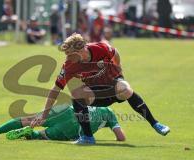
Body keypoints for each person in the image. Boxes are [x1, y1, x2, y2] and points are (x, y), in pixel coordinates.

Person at [30, 33, 170, 144]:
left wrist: (118, 71)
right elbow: (56, 89)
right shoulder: (69, 65)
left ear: (81, 50)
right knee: (77, 95)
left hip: (112, 86)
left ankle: (155, 124)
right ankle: (87, 137)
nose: (68, 58)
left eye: (70, 54)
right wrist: (44, 115)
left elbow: (115, 54)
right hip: (95, 94)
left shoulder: (101, 48)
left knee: (125, 88)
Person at [0, 105, 125, 141]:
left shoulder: (91, 98)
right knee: (41, 135)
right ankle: (33, 134)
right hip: (72, 129)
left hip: (66, 110)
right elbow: (121, 137)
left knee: (29, 119)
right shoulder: (109, 112)